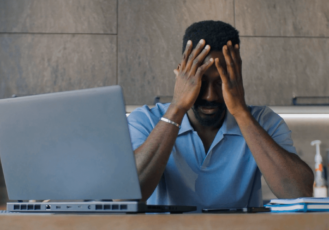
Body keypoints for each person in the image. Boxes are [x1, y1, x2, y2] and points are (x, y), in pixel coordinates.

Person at [127, 20, 313, 211]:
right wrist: (176, 108)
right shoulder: (146, 121)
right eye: (201, 80)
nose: (210, 96)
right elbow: (128, 194)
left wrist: (240, 112)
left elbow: (300, 193)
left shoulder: (264, 121)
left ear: (236, 77)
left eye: (221, 82)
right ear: (183, 74)